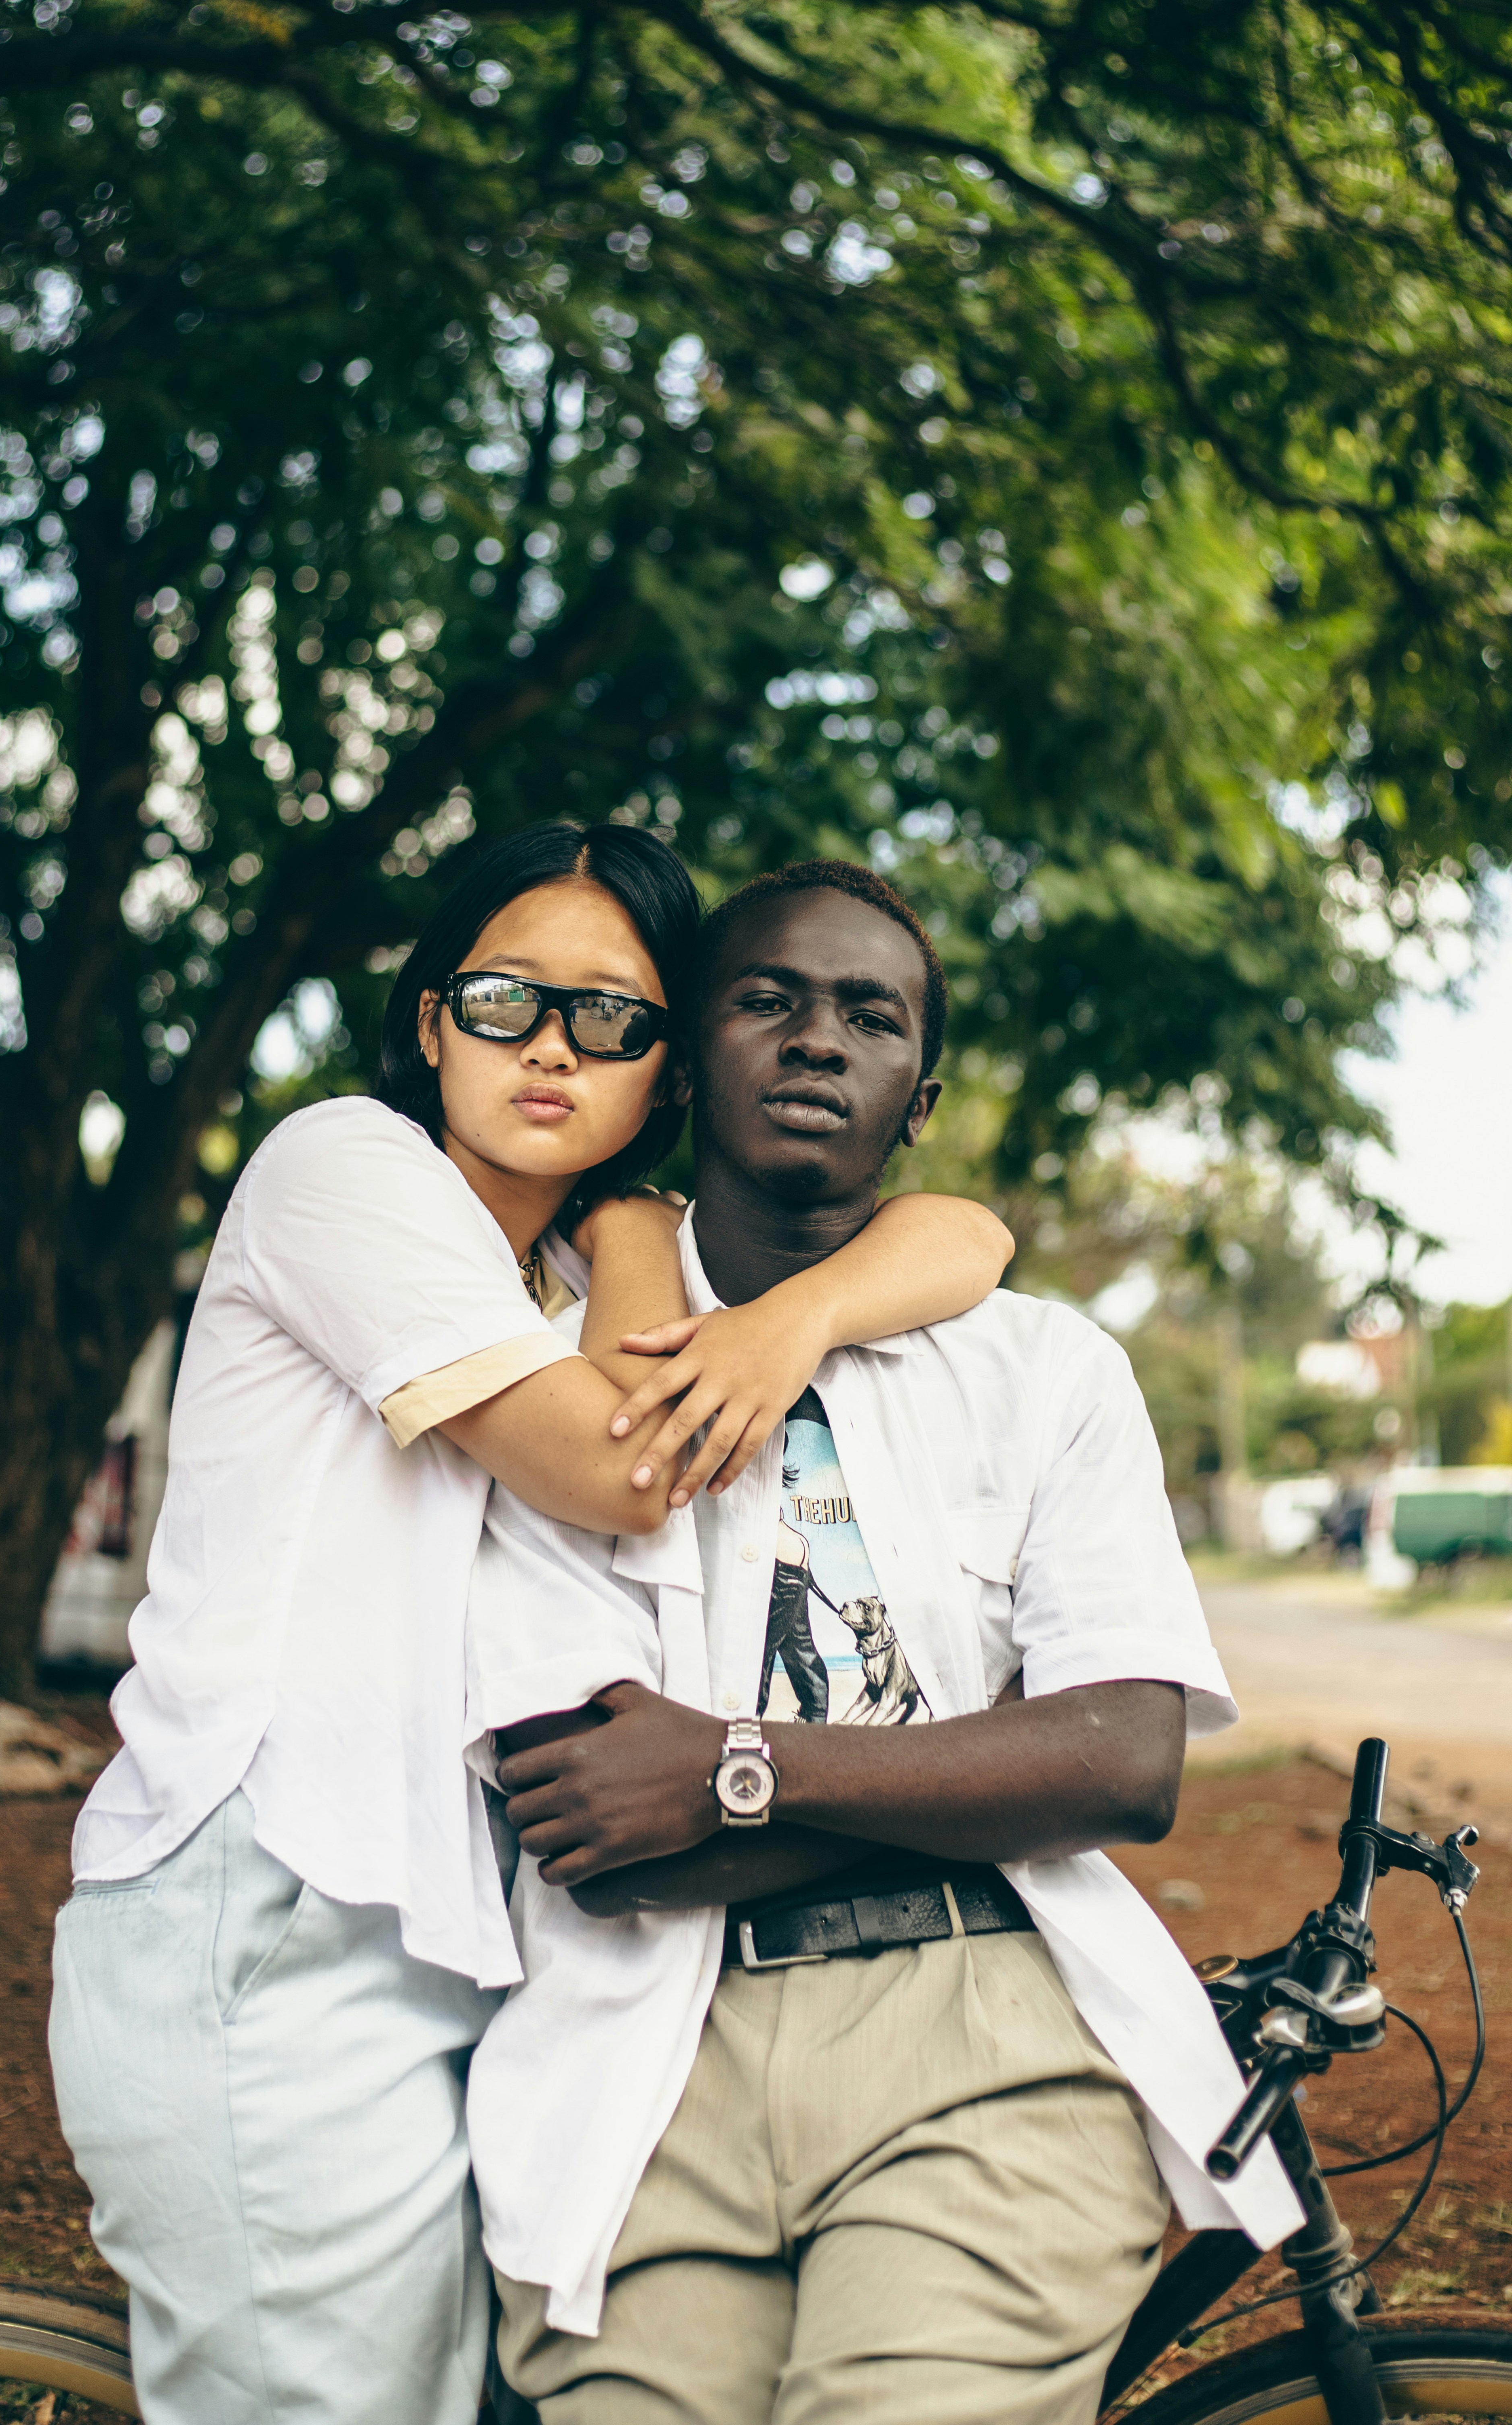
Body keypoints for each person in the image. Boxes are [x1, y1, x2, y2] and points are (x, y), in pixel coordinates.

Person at [48, 822, 1014, 2425]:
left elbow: (964, 1237)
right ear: (429, 1018)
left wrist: (792, 1308)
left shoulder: (565, 1258)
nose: (553, 1047)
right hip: (270, 1906)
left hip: (479, 1946)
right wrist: (663, 1252)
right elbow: (627, 1467)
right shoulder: (343, 1169)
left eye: (616, 1019)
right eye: (503, 1001)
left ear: (670, 1068)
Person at [486, 860, 1303, 2425]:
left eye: (868, 1017)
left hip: (978, 2043)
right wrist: (975, 1781)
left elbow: (1122, 1761)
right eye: (767, 1001)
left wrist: (727, 1770)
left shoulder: (1044, 1373)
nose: (815, 1041)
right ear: (684, 1059)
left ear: (916, 1101)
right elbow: (592, 1821)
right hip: (638, 2080)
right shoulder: (558, 1377)